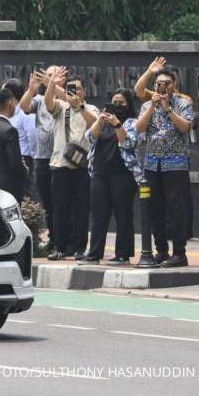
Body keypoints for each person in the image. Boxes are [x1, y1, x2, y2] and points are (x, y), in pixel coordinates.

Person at [135, 58, 194, 267]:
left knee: (176, 209)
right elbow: (139, 129)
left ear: (174, 84)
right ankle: (161, 250)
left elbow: (186, 127)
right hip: (152, 165)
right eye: (159, 83)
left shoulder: (183, 103)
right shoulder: (146, 105)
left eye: (166, 83)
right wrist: (153, 106)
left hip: (175, 166)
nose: (162, 86)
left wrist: (168, 109)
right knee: (155, 208)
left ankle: (179, 253)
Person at [79, 89, 144, 265]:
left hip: (123, 175)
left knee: (123, 215)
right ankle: (94, 254)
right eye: (114, 102)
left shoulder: (132, 122)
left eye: (121, 102)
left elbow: (129, 142)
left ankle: (123, 255)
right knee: (98, 215)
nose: (117, 106)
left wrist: (117, 125)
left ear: (128, 105)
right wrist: (100, 120)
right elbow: (90, 138)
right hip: (100, 173)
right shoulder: (104, 122)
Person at [44, 70, 99, 261]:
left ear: (84, 91)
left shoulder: (91, 109)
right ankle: (60, 247)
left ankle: (79, 248)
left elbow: (96, 126)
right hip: (60, 165)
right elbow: (48, 103)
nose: (75, 92)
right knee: (60, 209)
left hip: (83, 167)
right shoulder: (61, 106)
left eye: (79, 89)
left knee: (82, 210)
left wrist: (81, 107)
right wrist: (52, 82)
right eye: (71, 89)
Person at [19, 66, 66, 249]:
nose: (50, 79)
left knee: (61, 202)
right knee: (47, 202)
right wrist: (31, 90)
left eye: (54, 76)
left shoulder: (66, 98)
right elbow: (24, 106)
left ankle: (65, 241)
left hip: (62, 159)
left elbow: (68, 99)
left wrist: (52, 84)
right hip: (42, 158)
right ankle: (53, 240)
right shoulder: (39, 100)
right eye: (47, 75)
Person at [3, 78, 38, 199]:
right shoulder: (7, 113)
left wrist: (31, 156)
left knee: (24, 194)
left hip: (24, 158)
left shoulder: (25, 112)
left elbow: (32, 135)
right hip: (8, 159)